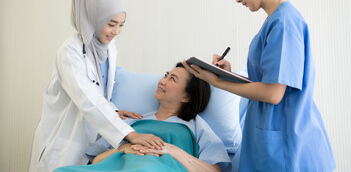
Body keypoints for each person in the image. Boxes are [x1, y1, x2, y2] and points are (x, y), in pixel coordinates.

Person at [182, 0, 336, 171]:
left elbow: (273, 94)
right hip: (274, 137)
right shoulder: (276, 20)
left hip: (285, 141)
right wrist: (230, 74)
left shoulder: (284, 23)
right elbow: (268, 81)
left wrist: (217, 82)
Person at [29, 0, 164, 172]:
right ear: (93, 19)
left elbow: (99, 91)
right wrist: (130, 134)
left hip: (89, 139)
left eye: (121, 25)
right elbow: (88, 99)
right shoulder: (70, 53)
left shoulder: (108, 48)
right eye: (111, 24)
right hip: (63, 140)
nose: (116, 31)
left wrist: (114, 110)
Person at [54, 63, 231, 172]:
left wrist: (172, 150)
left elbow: (213, 170)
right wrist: (125, 148)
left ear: (186, 96)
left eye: (172, 79)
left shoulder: (196, 126)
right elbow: (95, 160)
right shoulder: (132, 121)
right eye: (165, 75)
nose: (162, 81)